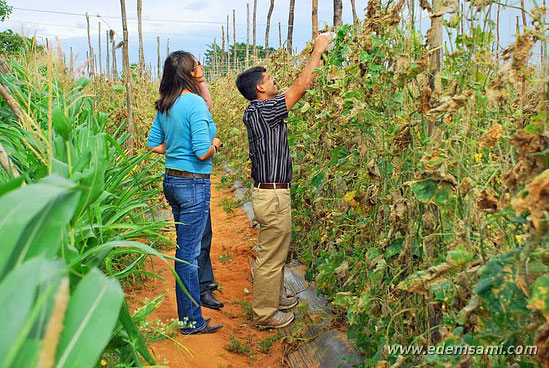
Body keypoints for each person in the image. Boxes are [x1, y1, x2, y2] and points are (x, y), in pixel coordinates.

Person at [235, 34, 331, 329]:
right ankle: (265, 314)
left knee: (276, 251)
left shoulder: (259, 110)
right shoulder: (264, 110)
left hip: (271, 194)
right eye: (270, 79)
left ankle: (274, 298)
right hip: (273, 196)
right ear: (260, 88)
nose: (275, 81)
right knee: (270, 256)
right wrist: (317, 50)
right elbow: (299, 87)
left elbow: (296, 87)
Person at [147, 50, 223, 334]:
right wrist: (216, 145)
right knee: (188, 257)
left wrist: (176, 148)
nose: (201, 67)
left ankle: (190, 316)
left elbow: (153, 144)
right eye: (197, 65)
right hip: (193, 183)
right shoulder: (194, 104)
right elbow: (203, 151)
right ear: (191, 72)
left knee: (185, 251)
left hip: (172, 181)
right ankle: (192, 322)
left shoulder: (167, 103)